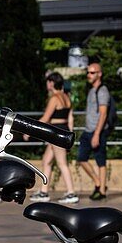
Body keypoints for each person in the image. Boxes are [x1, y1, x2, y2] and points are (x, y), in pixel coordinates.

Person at [29, 72, 78, 204]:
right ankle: (44, 192)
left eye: (48, 82)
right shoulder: (67, 97)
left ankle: (71, 192)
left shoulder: (54, 98)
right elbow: (70, 118)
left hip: (56, 132)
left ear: (51, 83)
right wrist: (71, 133)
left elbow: (46, 118)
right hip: (62, 130)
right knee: (46, 161)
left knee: (62, 163)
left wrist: (30, 129)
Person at [77, 56, 111, 201]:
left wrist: (97, 134)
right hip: (88, 130)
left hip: (98, 131)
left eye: (92, 73)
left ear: (99, 74)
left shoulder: (102, 91)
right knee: (81, 158)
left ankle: (102, 190)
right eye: (88, 72)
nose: (89, 75)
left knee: (100, 160)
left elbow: (103, 113)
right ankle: (98, 182)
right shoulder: (92, 91)